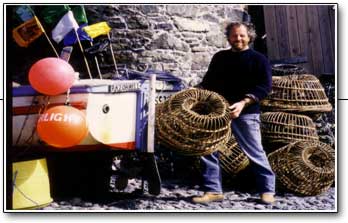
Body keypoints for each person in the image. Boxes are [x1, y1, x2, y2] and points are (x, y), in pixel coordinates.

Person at [192, 21, 276, 204]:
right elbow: (208, 83)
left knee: (255, 151)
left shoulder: (259, 59)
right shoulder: (220, 57)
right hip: (217, 112)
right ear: (228, 37)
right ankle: (213, 191)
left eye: (242, 35)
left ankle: (267, 190)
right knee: (208, 148)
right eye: (234, 35)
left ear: (249, 37)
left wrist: (243, 103)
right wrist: (192, 93)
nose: (238, 38)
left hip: (246, 112)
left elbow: (265, 87)